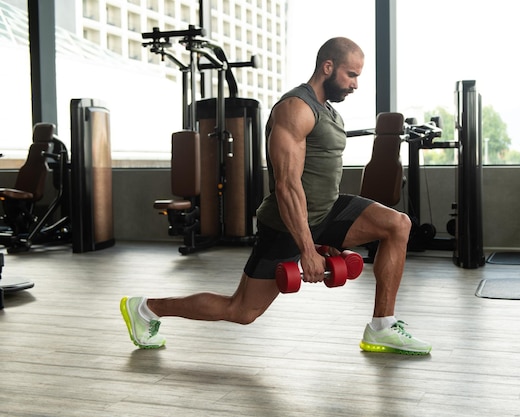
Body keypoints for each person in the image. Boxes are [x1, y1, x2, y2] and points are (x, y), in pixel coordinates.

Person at [120, 37, 431, 356]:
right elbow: (287, 185)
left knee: (398, 224)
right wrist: (307, 250)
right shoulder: (295, 108)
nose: (355, 84)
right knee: (242, 310)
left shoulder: (329, 111)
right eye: (351, 75)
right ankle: (146, 308)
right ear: (328, 67)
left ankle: (382, 327)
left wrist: (331, 237)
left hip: (327, 210)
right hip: (287, 223)